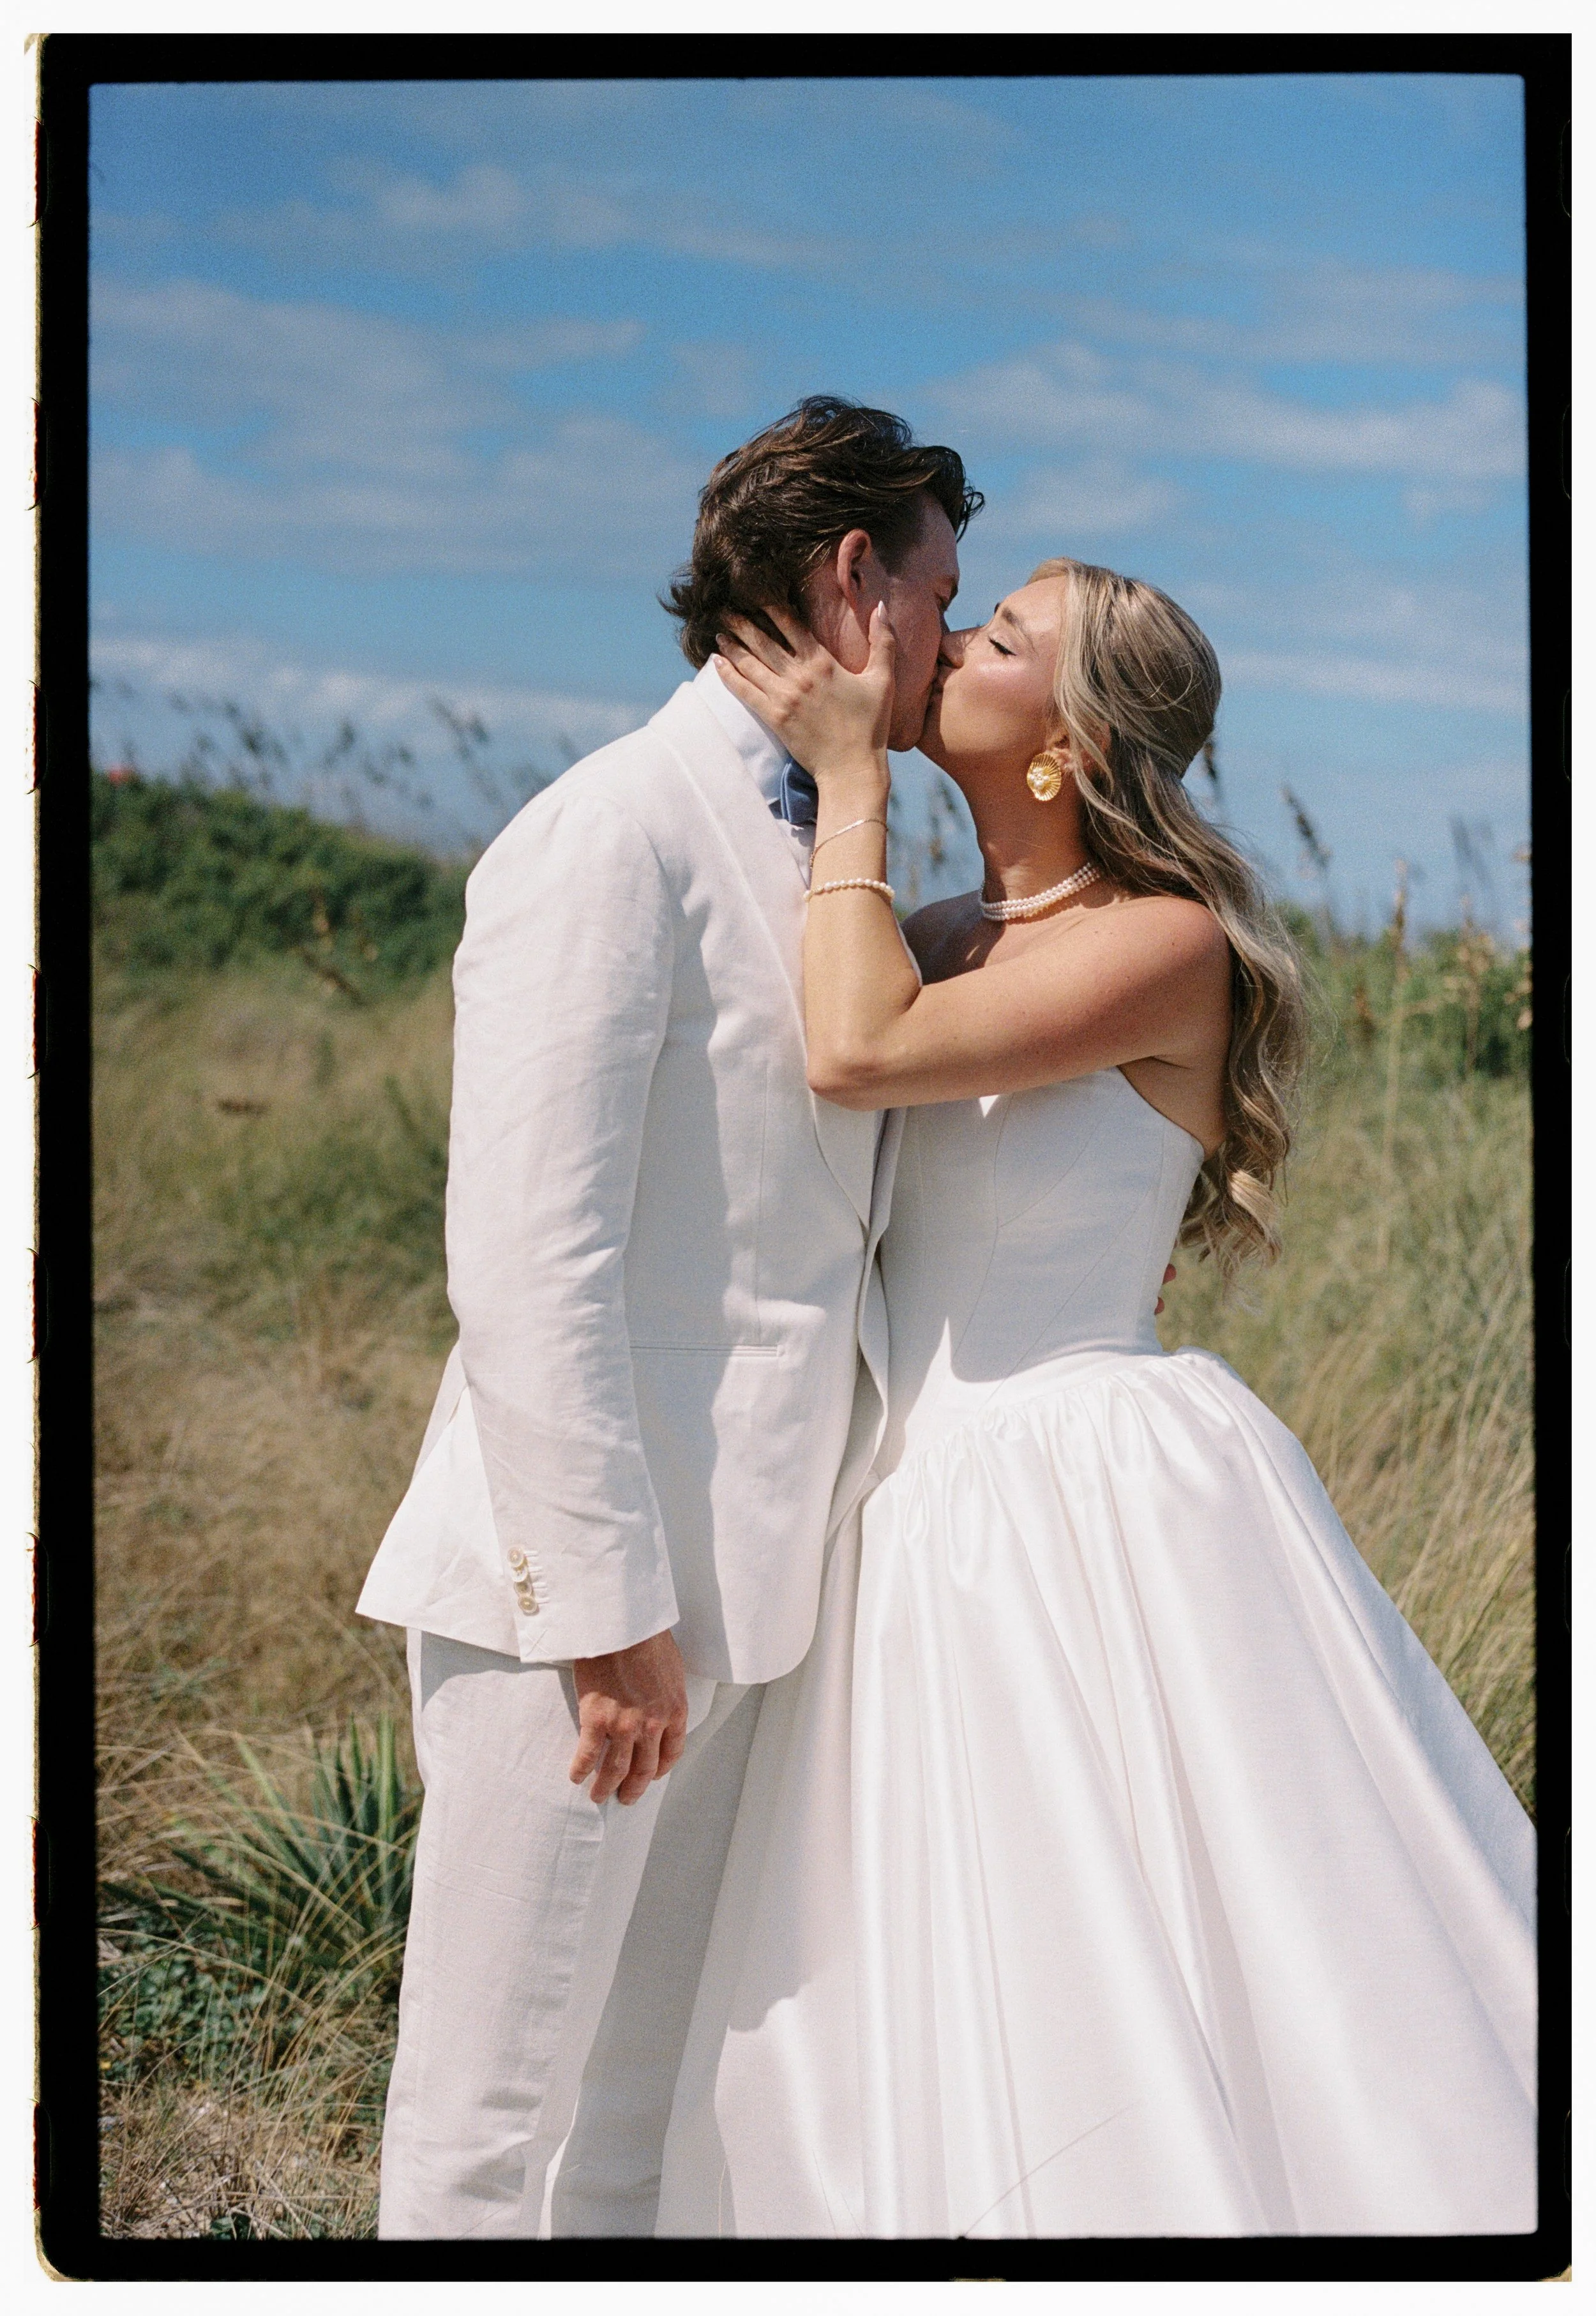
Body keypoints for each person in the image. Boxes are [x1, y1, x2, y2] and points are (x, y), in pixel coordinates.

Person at [654, 559, 1538, 2239]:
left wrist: (845, 781)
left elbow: (853, 1053)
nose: (950, 643)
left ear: (1066, 740)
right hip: (894, 1493)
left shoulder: (1163, 945)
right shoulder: (924, 935)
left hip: (1070, 1489)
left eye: (997, 641)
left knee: (1145, 1926)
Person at [355, 398, 977, 2237]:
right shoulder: (607, 833)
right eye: (941, 594)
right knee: (485, 2122)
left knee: (629, 2125)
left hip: (757, 1592)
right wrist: (608, 1611)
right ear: (853, 578)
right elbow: (524, 1264)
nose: (951, 639)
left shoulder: (832, 837)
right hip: (587, 1611)